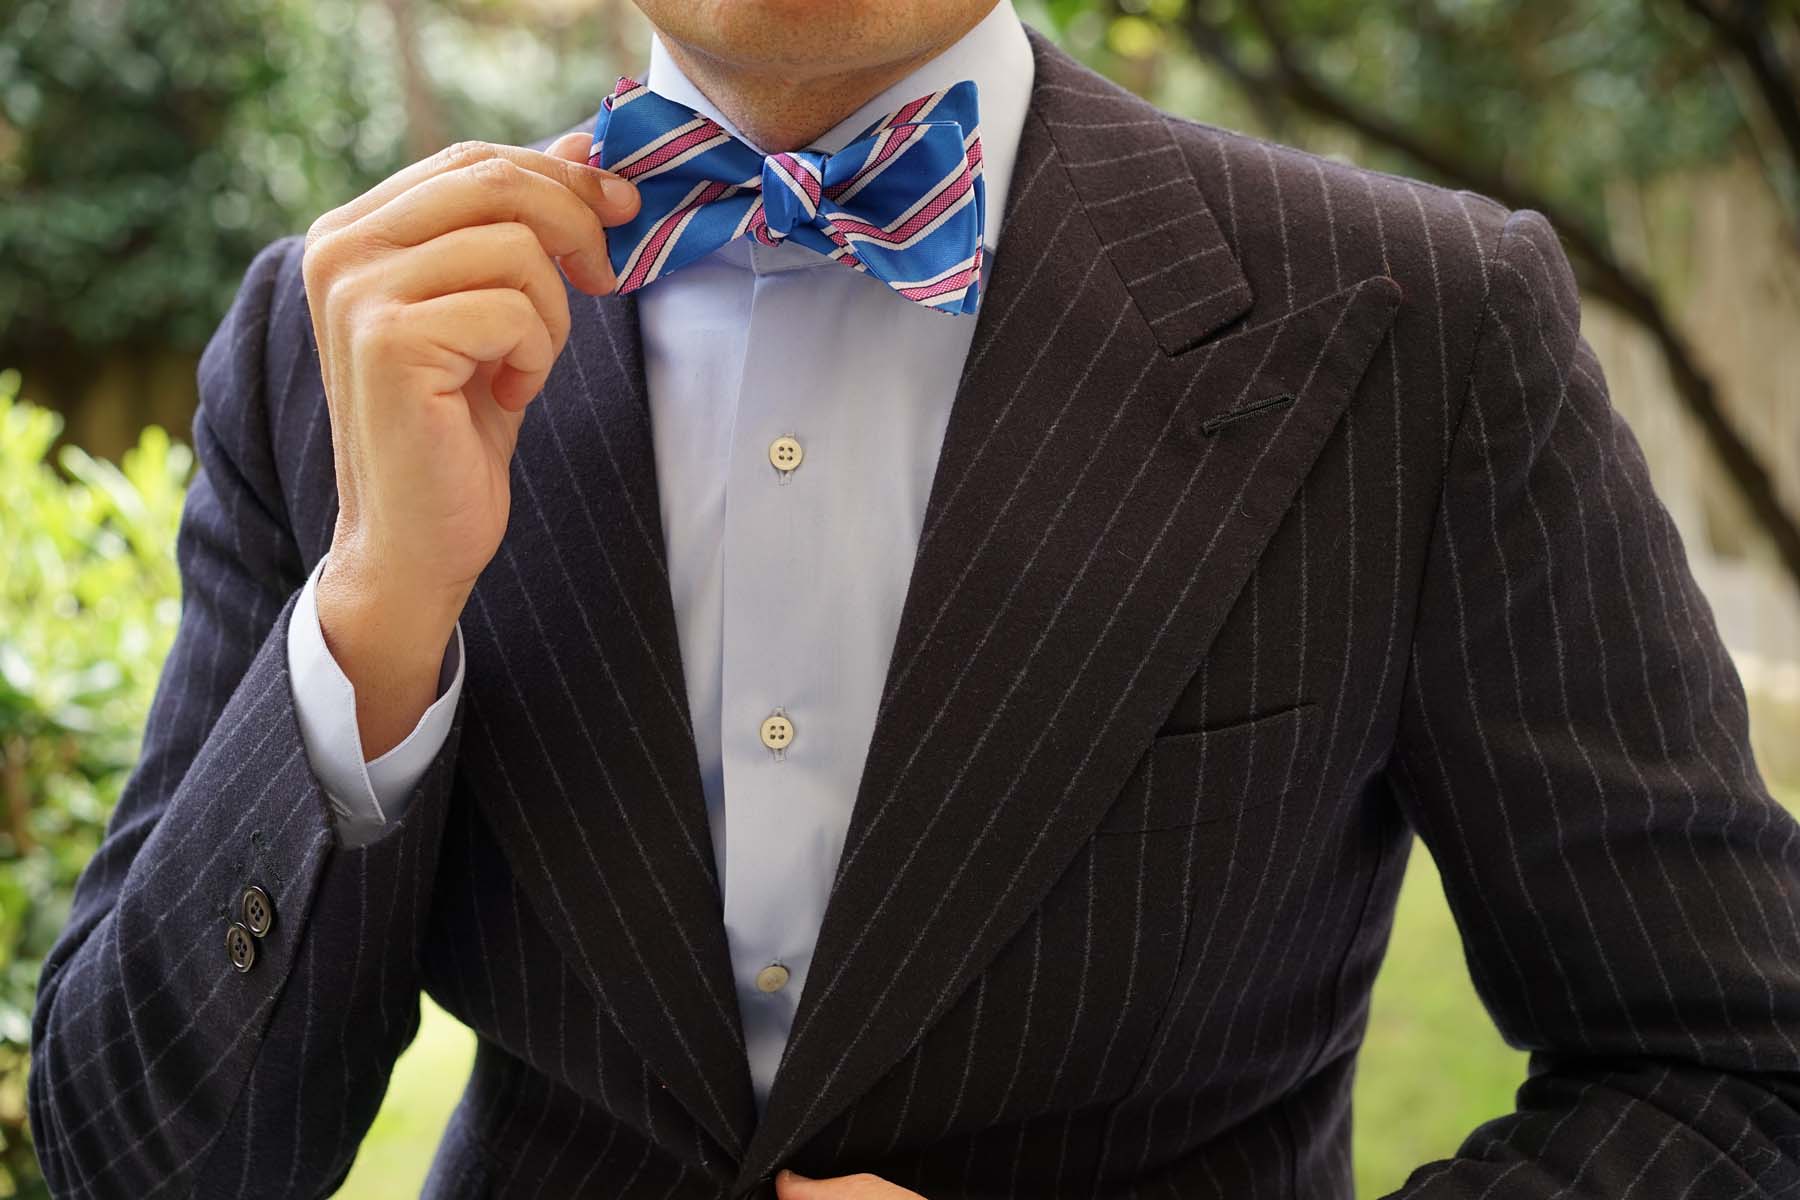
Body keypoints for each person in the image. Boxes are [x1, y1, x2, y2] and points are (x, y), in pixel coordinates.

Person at [27, 0, 1800, 1195]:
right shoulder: (325, 332)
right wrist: (371, 617)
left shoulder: (1420, 323)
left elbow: (1728, 1074)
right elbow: (133, 1156)